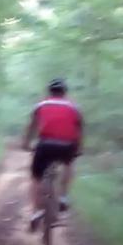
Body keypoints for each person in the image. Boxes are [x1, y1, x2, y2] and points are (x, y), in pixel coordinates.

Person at [20, 78, 83, 231]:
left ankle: (35, 211)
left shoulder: (41, 104)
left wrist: (26, 143)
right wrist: (79, 148)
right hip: (67, 145)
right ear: (64, 92)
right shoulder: (74, 107)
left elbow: (32, 127)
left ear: (49, 91)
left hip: (45, 144)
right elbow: (79, 129)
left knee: (36, 177)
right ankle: (63, 196)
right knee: (69, 163)